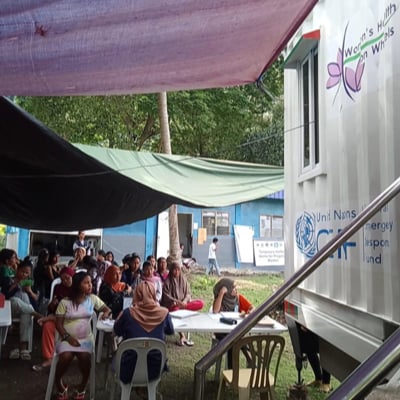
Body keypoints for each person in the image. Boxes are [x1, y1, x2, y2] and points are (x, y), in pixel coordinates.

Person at [54, 271, 111, 400]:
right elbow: (58, 324)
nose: (90, 285)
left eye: (90, 282)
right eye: (86, 283)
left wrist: (105, 314)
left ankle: (82, 387)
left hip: (86, 339)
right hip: (66, 338)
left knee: (85, 357)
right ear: (77, 285)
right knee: (65, 356)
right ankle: (59, 384)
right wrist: (68, 338)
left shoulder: (92, 299)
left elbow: (106, 309)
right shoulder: (65, 302)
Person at [113, 281, 174, 397]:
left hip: (128, 368)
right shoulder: (164, 313)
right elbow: (170, 331)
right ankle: (144, 389)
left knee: (118, 354)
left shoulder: (128, 313)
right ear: (153, 294)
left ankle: (137, 389)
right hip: (155, 368)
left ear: (137, 295)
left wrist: (119, 317)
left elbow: (117, 331)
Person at [33, 266, 75, 372]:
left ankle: (47, 318)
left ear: (73, 276)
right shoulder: (59, 288)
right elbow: (51, 308)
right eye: (63, 279)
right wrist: (53, 304)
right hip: (58, 318)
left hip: (73, 320)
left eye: (68, 278)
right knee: (48, 327)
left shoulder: (78, 288)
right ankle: (49, 358)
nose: (65, 281)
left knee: (52, 320)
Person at [2, 256, 42, 360]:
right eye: (22, 272)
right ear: (17, 270)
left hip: (25, 311)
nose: (24, 275)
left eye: (27, 273)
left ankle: (23, 348)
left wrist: (29, 291)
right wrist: (15, 285)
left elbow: (36, 299)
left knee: (26, 310)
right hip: (11, 311)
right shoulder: (9, 280)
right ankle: (35, 314)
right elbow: (5, 297)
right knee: (14, 300)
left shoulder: (31, 283)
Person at [212, 278, 254, 368]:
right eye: (233, 288)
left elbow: (252, 308)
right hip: (221, 331)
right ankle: (249, 360)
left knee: (234, 338)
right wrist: (221, 294)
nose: (236, 290)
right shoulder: (220, 299)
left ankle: (233, 370)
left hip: (235, 329)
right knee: (234, 339)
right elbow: (215, 311)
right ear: (227, 289)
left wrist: (248, 312)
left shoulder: (239, 298)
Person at [161, 261, 204, 346]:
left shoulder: (183, 279)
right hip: (173, 306)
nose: (176, 272)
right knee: (176, 310)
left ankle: (183, 309)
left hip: (184, 304)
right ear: (171, 270)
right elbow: (166, 296)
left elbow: (188, 293)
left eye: (178, 270)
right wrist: (177, 302)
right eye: (174, 270)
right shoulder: (167, 282)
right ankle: (182, 335)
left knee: (200, 303)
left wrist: (184, 301)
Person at [299, 325, 332, 393]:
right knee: (308, 347)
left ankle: (326, 383)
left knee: (324, 347)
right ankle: (318, 379)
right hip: (308, 322)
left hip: (324, 324)